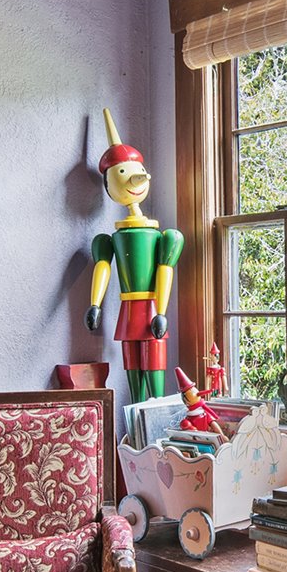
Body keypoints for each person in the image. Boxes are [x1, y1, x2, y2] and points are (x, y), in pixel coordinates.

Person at [86, 111, 184, 404]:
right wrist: (94, 305)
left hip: (153, 312)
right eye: (123, 173)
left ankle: (154, 435)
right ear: (109, 183)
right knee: (133, 381)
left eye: (137, 170)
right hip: (130, 314)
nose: (136, 179)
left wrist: (161, 311)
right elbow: (103, 266)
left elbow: (165, 268)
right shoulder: (109, 239)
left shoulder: (164, 237)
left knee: (156, 376)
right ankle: (137, 436)